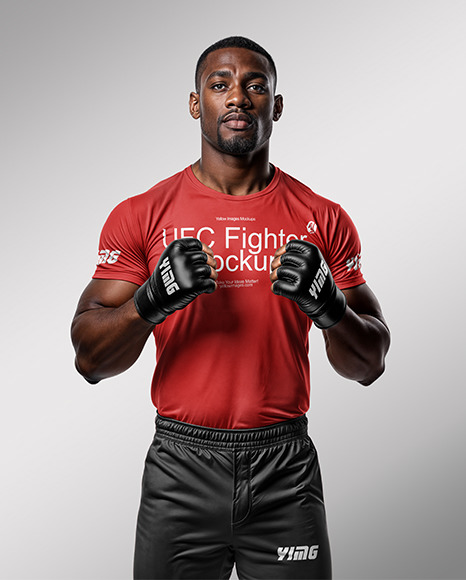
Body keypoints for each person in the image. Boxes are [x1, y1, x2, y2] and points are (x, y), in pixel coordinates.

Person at [71, 36, 390, 580]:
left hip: (283, 470)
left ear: (277, 105)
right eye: (220, 85)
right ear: (197, 104)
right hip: (181, 467)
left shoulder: (323, 218)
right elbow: (90, 360)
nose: (238, 97)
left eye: (255, 85)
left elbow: (369, 366)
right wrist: (149, 301)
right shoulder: (142, 214)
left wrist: (331, 308)